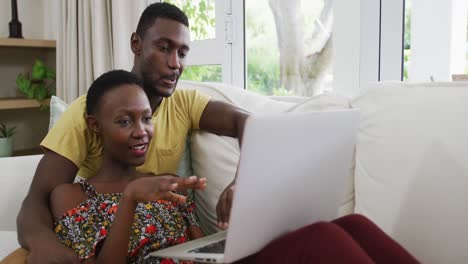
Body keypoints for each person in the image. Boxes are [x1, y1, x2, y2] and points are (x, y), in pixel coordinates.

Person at [12, 3, 246, 264]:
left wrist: (241, 182)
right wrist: (43, 244)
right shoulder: (84, 115)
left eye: (182, 53)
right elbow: (36, 200)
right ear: (136, 44)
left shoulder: (184, 105)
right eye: (164, 48)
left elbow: (247, 123)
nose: (174, 64)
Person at [50, 69, 206, 263]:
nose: (142, 132)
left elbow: (204, 255)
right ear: (95, 125)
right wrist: (129, 199)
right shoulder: (71, 196)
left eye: (147, 119)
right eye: (125, 121)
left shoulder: (164, 184)